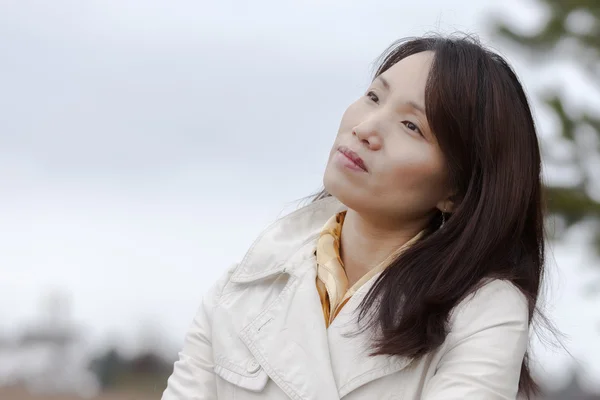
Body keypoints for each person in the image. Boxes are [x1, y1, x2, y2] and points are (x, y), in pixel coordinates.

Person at [162, 34, 547, 400]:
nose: (365, 129)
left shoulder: (482, 310)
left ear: (457, 191)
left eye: (411, 126)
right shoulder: (245, 287)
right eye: (374, 96)